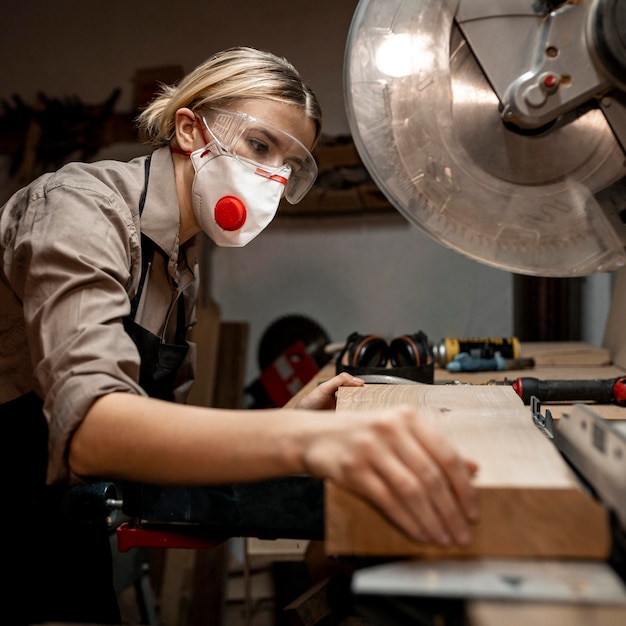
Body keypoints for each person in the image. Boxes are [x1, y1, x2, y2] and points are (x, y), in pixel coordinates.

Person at [1, 46, 479, 624]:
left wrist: (286, 425)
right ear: (188, 130)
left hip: (56, 515)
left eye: (290, 165)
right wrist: (302, 442)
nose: (272, 177)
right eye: (259, 145)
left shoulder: (179, 260)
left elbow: (154, 446)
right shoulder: (81, 210)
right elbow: (94, 428)